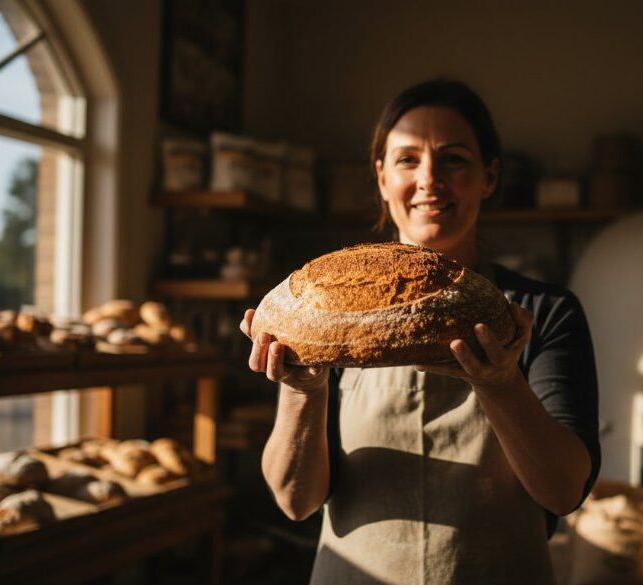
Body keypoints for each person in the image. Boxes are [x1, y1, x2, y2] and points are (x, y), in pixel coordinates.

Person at [241, 79, 600, 585]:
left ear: (489, 177)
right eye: (408, 159)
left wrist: (501, 384)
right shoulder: (329, 319)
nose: (430, 178)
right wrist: (304, 390)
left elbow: (563, 492)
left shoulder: (539, 313)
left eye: (454, 159)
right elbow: (295, 500)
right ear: (382, 178)